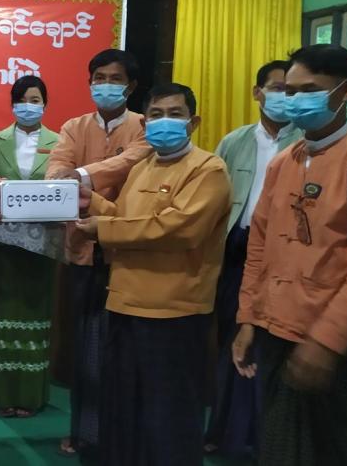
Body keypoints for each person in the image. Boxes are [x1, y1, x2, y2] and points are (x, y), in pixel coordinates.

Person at [233, 45, 347, 466]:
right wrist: (248, 319)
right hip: (275, 328)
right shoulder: (284, 162)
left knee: (334, 449)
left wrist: (327, 341)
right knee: (278, 446)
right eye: (291, 90)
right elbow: (260, 246)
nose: (296, 100)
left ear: (346, 91)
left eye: (310, 90)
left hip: (336, 344)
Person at [76, 83, 232, 466]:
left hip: (174, 312)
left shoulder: (208, 169)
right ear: (144, 124)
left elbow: (179, 230)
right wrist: (91, 201)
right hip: (125, 305)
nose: (166, 122)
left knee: (169, 417)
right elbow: (126, 219)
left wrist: (103, 228)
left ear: (194, 122)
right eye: (157, 115)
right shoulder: (142, 167)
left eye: (175, 114)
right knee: (124, 411)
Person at [46, 49, 151, 458]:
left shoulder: (145, 126)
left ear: (131, 86)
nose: (105, 85)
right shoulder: (74, 127)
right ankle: (85, 433)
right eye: (99, 78)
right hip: (82, 252)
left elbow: (130, 162)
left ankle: (121, 435)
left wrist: (82, 176)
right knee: (85, 350)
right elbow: (57, 168)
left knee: (124, 352)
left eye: (115, 78)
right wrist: (63, 178)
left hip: (129, 252)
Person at [205, 60, 303, 456]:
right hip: (236, 250)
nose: (283, 97)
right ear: (257, 92)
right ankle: (222, 430)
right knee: (232, 339)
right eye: (275, 88)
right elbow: (214, 199)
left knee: (271, 345)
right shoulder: (234, 141)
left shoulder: (305, 142)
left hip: (286, 257)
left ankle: (265, 436)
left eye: (290, 90)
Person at [0, 75, 60, 418]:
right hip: (5, 242)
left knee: (35, 311)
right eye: (23, 100)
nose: (29, 106)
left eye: (35, 99)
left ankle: (30, 396)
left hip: (43, 244)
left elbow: (64, 186)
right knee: (5, 313)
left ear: (45, 104)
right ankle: (4, 395)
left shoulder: (60, 142)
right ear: (13, 105)